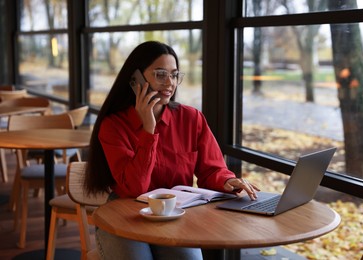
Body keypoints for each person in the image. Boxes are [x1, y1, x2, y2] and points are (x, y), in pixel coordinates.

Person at [84, 41, 260, 260]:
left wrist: (227, 180)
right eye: (160, 74)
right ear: (135, 79)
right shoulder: (113, 125)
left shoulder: (191, 118)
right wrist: (149, 130)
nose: (170, 83)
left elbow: (211, 169)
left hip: (173, 213)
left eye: (175, 75)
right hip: (124, 213)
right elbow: (134, 188)